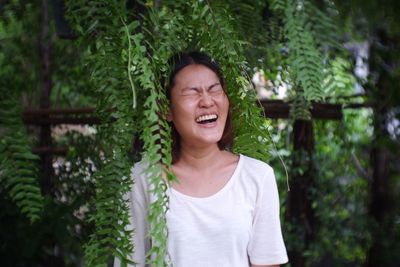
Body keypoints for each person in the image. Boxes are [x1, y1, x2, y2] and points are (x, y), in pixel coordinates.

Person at [115, 51, 288, 267]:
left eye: (215, 90)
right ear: (166, 110)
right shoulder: (143, 178)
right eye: (191, 93)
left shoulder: (257, 176)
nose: (207, 101)